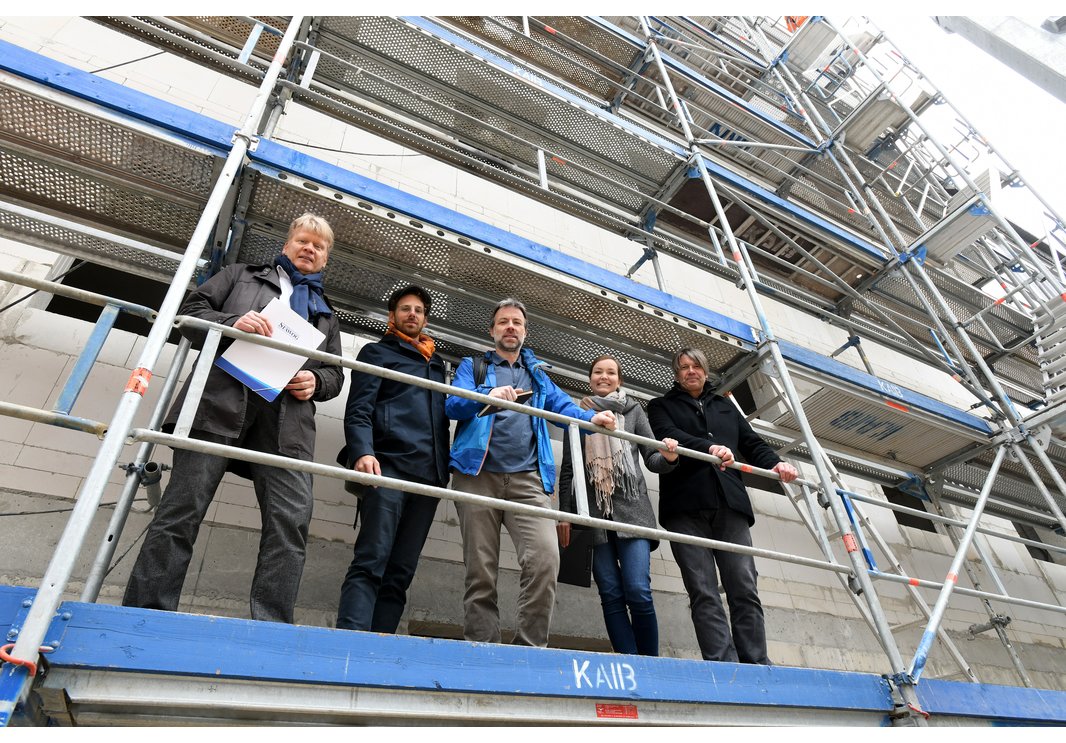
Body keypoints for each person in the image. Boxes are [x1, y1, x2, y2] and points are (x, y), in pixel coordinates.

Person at [123, 213, 343, 623]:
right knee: (182, 510)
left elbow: (335, 374)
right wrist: (231, 323)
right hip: (219, 404)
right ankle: (147, 614)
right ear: (287, 244)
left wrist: (316, 380)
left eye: (319, 246)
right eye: (303, 240)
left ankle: (271, 625)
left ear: (326, 259)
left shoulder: (326, 314)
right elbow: (189, 312)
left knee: (290, 524)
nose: (310, 249)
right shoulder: (239, 275)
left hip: (286, 424)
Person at [446, 298, 617, 647]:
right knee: (480, 571)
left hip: (528, 479)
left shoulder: (537, 375)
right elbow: (452, 403)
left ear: (525, 332)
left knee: (545, 558)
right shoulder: (473, 365)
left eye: (517, 323)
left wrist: (591, 419)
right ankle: (483, 649)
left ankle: (529, 649)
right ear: (492, 330)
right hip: (477, 475)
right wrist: (487, 393)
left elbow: (563, 407)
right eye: (504, 322)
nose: (511, 327)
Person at [647, 348, 798, 664]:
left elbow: (752, 443)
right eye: (684, 367)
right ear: (676, 374)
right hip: (685, 508)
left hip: (730, 505)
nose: (691, 371)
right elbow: (668, 434)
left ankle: (755, 660)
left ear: (705, 371)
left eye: (696, 366)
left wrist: (778, 464)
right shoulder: (661, 406)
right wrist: (710, 447)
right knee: (703, 590)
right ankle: (722, 662)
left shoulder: (726, 407)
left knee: (743, 585)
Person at [334, 284, 449, 633]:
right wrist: (363, 452)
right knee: (372, 559)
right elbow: (358, 410)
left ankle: (380, 645)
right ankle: (350, 642)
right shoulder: (376, 353)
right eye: (405, 309)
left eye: (418, 310)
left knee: (401, 570)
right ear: (392, 316)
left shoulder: (437, 364)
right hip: (389, 466)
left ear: (425, 318)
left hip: (429, 477)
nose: (412, 314)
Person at [557, 354, 679, 656]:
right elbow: (569, 471)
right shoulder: (578, 412)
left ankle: (650, 662)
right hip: (593, 516)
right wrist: (565, 514)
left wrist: (669, 457)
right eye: (597, 371)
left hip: (632, 513)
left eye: (611, 372)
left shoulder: (634, 410)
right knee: (610, 594)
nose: (604, 377)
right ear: (590, 378)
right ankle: (629, 660)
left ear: (619, 380)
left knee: (638, 591)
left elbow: (652, 458)